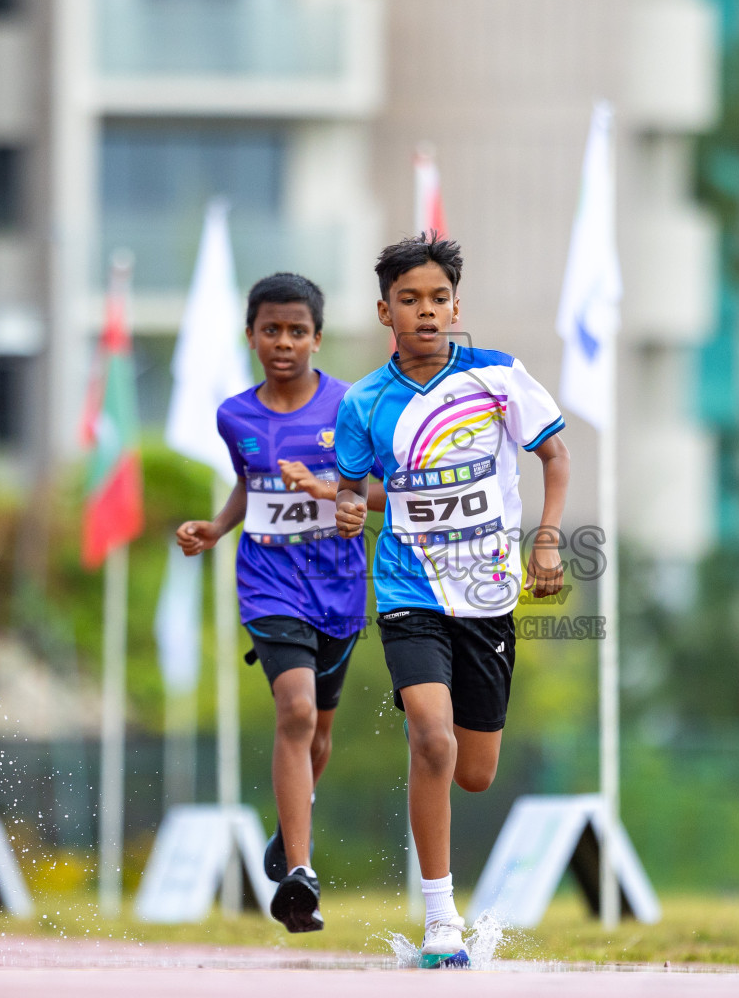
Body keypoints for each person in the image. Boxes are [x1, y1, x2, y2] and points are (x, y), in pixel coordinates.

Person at [334, 233, 570, 968]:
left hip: (489, 594)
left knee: (474, 769)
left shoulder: (498, 376)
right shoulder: (365, 401)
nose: (426, 313)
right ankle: (442, 922)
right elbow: (362, 487)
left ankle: (449, 905)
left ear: (456, 307)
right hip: (407, 589)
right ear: (385, 311)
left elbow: (555, 455)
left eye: (438, 300)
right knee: (431, 737)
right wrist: (346, 506)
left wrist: (549, 539)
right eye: (410, 301)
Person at [175, 272, 384, 934]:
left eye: (297, 331)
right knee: (292, 710)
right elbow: (249, 482)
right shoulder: (234, 414)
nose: (284, 342)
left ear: (318, 338)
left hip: (338, 584)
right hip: (267, 579)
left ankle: (288, 832)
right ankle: (301, 874)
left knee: (318, 733)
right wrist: (216, 526)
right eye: (272, 330)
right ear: (251, 336)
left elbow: (379, 491)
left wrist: (338, 498)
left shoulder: (351, 407)